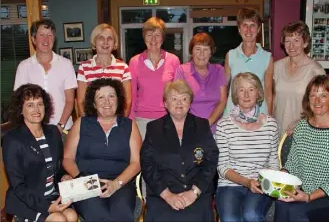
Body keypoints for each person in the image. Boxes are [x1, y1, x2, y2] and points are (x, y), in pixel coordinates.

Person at [274, 75, 329, 222]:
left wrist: (309, 197)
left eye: (323, 95)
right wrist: (281, 177)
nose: (317, 101)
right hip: (305, 189)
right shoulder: (302, 127)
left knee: (296, 212)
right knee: (281, 205)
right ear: (308, 99)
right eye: (313, 95)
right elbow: (293, 162)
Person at [62, 78, 141, 221]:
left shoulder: (130, 125)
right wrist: (84, 180)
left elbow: (137, 162)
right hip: (87, 182)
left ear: (118, 100)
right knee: (97, 215)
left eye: (111, 96)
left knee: (121, 215)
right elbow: (67, 158)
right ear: (93, 103)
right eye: (101, 97)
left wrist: (116, 184)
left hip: (120, 184)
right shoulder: (81, 124)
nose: (107, 102)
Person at [140, 80, 219, 221]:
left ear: (190, 103)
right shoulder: (153, 128)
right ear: (165, 103)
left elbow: (210, 162)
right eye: (174, 99)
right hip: (163, 194)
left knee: (196, 216)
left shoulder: (202, 125)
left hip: (197, 193)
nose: (179, 103)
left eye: (184, 98)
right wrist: (167, 195)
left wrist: (194, 192)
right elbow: (148, 165)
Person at [2, 84, 77, 222]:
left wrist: (64, 176)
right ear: (20, 110)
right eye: (30, 105)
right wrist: (47, 207)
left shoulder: (53, 132)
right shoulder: (12, 140)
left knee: (71, 216)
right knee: (59, 219)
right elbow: (18, 185)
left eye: (40, 104)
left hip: (51, 195)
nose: (36, 109)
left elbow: (58, 167)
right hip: (26, 201)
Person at [216, 72, 279, 222]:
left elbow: (274, 162)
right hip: (229, 185)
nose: (246, 94)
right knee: (231, 220)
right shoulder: (224, 125)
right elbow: (223, 167)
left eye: (251, 89)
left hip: (260, 184)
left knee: (252, 216)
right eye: (241, 89)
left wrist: (262, 183)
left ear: (258, 93)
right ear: (235, 95)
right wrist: (246, 182)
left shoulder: (271, 124)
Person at [13, 19, 77, 133]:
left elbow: (70, 101)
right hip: (33, 131)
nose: (46, 39)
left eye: (50, 35)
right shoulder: (24, 67)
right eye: (41, 35)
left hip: (63, 129)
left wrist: (60, 126)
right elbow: (20, 102)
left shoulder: (66, 64)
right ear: (34, 39)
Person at [129, 17, 180, 139]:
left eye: (157, 35)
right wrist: (130, 122)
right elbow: (132, 95)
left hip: (167, 119)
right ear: (144, 37)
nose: (153, 39)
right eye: (149, 35)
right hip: (141, 121)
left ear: (162, 38)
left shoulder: (173, 60)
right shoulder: (134, 62)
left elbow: (177, 94)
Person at [273, 21, 326, 136]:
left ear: (305, 43)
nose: (291, 46)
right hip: (278, 131)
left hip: (304, 131)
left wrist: (303, 121)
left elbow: (322, 105)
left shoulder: (315, 70)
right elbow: (272, 98)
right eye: (288, 41)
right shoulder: (276, 67)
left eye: (296, 41)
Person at [224, 8, 274, 116]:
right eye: (244, 25)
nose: (248, 30)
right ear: (239, 29)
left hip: (259, 116)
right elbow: (223, 89)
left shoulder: (267, 58)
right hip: (233, 116)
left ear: (259, 29)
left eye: (252, 25)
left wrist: (269, 119)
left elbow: (268, 94)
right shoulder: (230, 55)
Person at [174, 32, 227, 134]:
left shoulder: (219, 70)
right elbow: (178, 101)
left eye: (206, 49)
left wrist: (208, 123)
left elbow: (222, 101)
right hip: (189, 130)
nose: (201, 54)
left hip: (216, 131)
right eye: (198, 49)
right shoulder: (182, 70)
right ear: (191, 52)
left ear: (210, 53)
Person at [77, 23, 132, 117]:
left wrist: (122, 123)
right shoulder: (84, 67)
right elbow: (81, 101)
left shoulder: (123, 67)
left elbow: (127, 100)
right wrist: (87, 124)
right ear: (94, 41)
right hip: (92, 122)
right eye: (101, 38)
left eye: (110, 38)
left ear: (114, 43)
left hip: (116, 120)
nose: (105, 42)